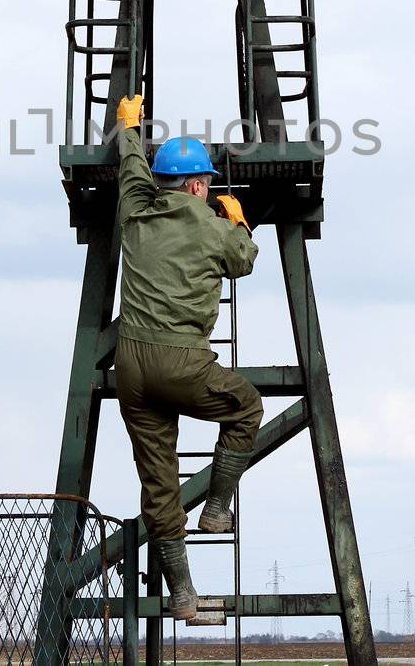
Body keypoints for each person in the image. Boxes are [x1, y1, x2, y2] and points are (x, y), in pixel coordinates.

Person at [111, 93, 261, 621]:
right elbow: (242, 262)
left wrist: (128, 127)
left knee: (158, 481)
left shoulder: (135, 210)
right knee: (245, 408)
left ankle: (182, 596)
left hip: (129, 368)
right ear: (198, 185)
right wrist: (238, 220)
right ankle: (217, 512)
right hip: (181, 363)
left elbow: (131, 169)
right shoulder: (211, 225)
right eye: (208, 184)